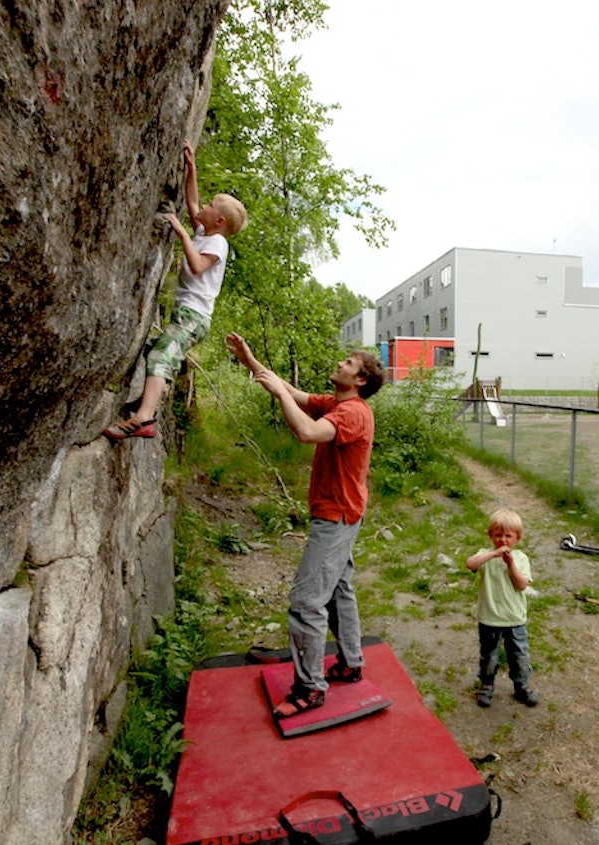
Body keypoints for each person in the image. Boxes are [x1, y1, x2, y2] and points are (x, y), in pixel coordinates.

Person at [225, 332, 387, 719]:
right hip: (346, 513)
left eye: (348, 363)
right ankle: (350, 663)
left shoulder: (353, 413)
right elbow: (295, 393)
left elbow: (307, 432)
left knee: (306, 602)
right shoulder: (337, 402)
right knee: (338, 590)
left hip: (336, 517)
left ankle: (310, 688)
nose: (340, 363)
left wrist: (279, 395)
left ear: (360, 380)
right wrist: (250, 361)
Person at [104, 140, 247, 440]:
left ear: (219, 221)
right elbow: (192, 203)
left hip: (194, 318)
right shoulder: (205, 231)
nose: (203, 207)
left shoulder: (218, 243)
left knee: (160, 356)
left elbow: (197, 265)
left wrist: (181, 232)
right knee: (153, 350)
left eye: (210, 206)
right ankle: (146, 402)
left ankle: (145, 418)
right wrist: (191, 169)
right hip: (185, 315)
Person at [466, 508, 540, 708]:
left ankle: (521, 686)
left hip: (515, 618)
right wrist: (493, 555)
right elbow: (470, 564)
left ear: (517, 538)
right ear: (491, 536)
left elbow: (521, 585)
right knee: (489, 655)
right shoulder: (485, 556)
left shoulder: (521, 558)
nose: (503, 540)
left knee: (519, 655)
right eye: (498, 535)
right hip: (489, 618)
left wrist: (510, 564)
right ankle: (487, 685)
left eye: (508, 536)